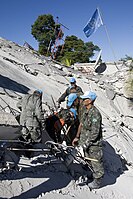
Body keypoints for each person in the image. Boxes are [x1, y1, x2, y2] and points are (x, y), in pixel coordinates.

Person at [72, 91, 104, 189]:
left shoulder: (95, 114)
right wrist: (77, 137)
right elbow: (81, 125)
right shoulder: (86, 111)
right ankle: (92, 174)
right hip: (84, 140)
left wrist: (87, 143)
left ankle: (98, 181)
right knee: (87, 159)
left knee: (96, 161)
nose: (82, 100)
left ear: (90, 100)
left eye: (85, 99)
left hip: (93, 144)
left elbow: (95, 132)